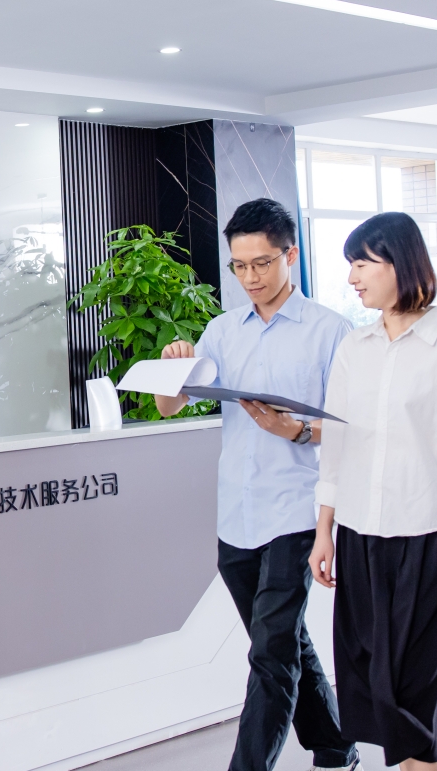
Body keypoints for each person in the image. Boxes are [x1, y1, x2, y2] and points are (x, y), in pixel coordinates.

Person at [154, 198, 358, 771]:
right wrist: (174, 363)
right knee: (282, 642)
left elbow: (354, 425)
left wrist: (298, 430)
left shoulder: (331, 332)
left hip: (296, 511)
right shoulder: (221, 331)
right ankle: (336, 745)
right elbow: (169, 406)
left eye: (262, 263)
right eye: (239, 266)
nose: (250, 277)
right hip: (237, 515)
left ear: (290, 255)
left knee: (270, 654)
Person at [309, 213, 437, 770]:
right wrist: (324, 530)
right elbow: (338, 446)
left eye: (362, 264)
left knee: (415, 691)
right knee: (374, 684)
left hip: (434, 538)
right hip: (361, 538)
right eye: (350, 265)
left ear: (401, 264)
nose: (352, 278)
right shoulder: (354, 349)